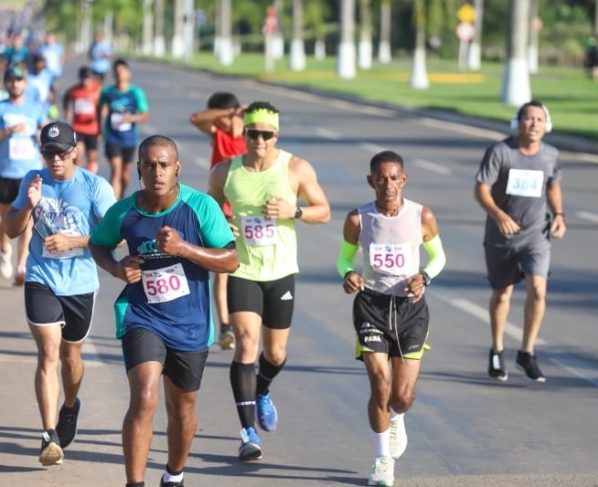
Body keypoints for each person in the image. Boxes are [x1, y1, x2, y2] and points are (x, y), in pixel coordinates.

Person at [89, 135, 239, 487]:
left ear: (177, 168)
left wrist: (184, 248)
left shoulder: (201, 207)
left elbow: (231, 259)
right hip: (142, 316)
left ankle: (174, 474)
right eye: (149, 165)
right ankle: (134, 483)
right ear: (139, 169)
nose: (157, 172)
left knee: (182, 409)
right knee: (143, 396)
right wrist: (115, 268)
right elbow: (98, 244)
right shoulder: (124, 212)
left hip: (190, 324)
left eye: (164, 165)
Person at [208, 101, 331, 461]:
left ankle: (262, 389)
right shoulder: (224, 172)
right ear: (243, 134)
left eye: (266, 134)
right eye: (253, 133)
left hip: (280, 272)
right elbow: (211, 211)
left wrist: (294, 210)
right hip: (243, 269)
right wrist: (222, 228)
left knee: (275, 353)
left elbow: (324, 211)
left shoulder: (295, 168)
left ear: (276, 135)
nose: (259, 140)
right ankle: (247, 432)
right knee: (246, 345)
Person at [4, 120, 116, 466]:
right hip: (42, 277)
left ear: (75, 151)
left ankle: (70, 406)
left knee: (71, 357)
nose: (55, 160)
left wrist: (75, 241)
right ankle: (48, 434)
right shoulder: (33, 180)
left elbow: (116, 236)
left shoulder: (95, 186)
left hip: (81, 282)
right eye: (48, 153)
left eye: (61, 153)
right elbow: (9, 230)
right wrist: (28, 205)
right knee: (48, 353)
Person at [337, 150, 446, 486]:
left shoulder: (421, 215)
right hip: (372, 305)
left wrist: (424, 277)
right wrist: (349, 275)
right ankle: (382, 460)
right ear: (371, 181)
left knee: (402, 395)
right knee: (380, 384)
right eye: (381, 178)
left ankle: (397, 417)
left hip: (411, 310)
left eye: (394, 177)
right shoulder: (358, 219)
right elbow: (344, 260)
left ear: (404, 179)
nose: (388, 184)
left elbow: (438, 256)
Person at [474, 100, 566, 383]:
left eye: (540, 119)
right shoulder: (501, 152)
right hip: (501, 236)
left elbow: (552, 184)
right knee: (502, 293)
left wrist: (559, 214)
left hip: (536, 235)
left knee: (538, 289)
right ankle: (497, 349)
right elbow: (481, 190)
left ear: (546, 125)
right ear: (518, 123)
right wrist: (499, 216)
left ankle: (527, 352)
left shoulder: (550, 155)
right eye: (529, 118)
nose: (534, 124)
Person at [189, 91, 247, 350]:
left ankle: (243, 320)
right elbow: (197, 118)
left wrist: (237, 115)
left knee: (246, 271)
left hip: (247, 213)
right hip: (222, 213)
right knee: (222, 271)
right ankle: (225, 328)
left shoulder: (251, 137)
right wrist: (228, 114)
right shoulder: (219, 134)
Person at [0, 64, 46, 285]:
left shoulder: (36, 107)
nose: (15, 83)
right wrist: (8, 131)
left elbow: (44, 133)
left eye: (19, 79)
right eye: (11, 79)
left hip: (28, 172)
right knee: (5, 217)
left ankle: (21, 266)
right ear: (6, 83)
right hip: (5, 171)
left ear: (24, 83)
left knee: (27, 218)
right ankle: (4, 250)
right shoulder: (1, 108)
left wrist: (40, 134)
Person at [98, 58, 149, 199]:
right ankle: (113, 202)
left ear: (128, 73)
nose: (119, 74)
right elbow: (100, 109)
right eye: (117, 71)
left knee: (125, 173)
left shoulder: (135, 92)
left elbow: (144, 114)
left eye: (122, 71)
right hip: (112, 137)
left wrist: (132, 118)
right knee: (116, 169)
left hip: (129, 138)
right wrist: (99, 126)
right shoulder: (107, 92)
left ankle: (121, 195)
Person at [63, 66, 102, 173]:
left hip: (92, 129)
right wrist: (67, 111)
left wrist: (100, 130)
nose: (86, 81)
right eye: (84, 78)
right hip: (78, 127)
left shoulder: (97, 90)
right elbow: (66, 100)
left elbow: (100, 110)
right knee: (78, 156)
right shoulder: (74, 91)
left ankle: (90, 177)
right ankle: (78, 178)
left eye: (88, 78)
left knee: (93, 157)